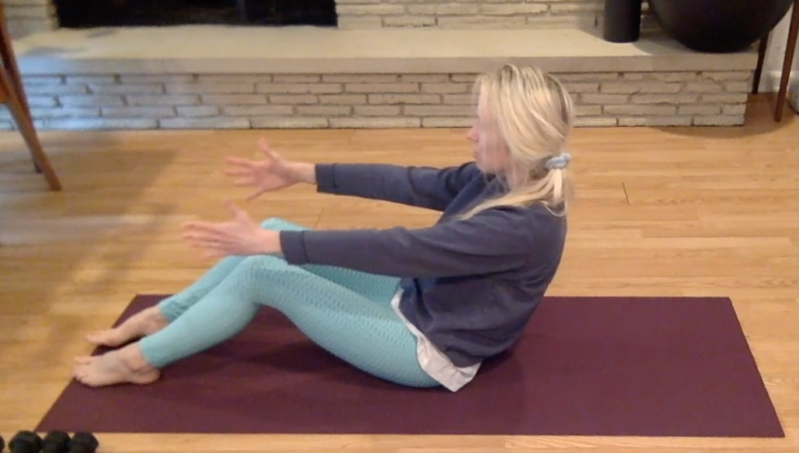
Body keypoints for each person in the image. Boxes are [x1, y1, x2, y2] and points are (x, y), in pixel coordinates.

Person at [72, 64, 575, 392]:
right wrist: (301, 173)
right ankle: (169, 316)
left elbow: (401, 249)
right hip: (419, 299)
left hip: (432, 349)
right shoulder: (504, 177)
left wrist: (275, 246)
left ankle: (141, 359)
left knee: (261, 271)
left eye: (481, 124)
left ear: (515, 136)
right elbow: (409, 182)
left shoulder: (520, 224)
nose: (470, 131)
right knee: (270, 228)